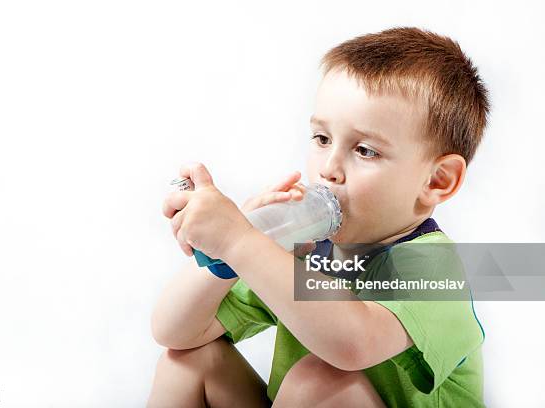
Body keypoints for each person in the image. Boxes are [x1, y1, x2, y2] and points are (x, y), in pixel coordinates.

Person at [149, 26, 489, 407]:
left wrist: (240, 243)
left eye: (364, 150)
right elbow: (173, 331)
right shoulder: (310, 250)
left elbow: (351, 344)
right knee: (188, 362)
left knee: (320, 380)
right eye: (322, 139)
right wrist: (228, 253)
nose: (328, 168)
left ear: (436, 181)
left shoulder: (434, 268)